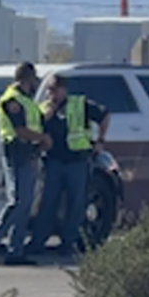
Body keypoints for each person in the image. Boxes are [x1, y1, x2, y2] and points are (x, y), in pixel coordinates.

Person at [26, 74, 110, 256]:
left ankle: (68, 244)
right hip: (54, 162)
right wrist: (45, 118)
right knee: (48, 202)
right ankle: (38, 242)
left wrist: (100, 140)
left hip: (77, 161)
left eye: (54, 89)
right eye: (49, 89)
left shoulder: (79, 104)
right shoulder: (43, 109)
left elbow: (104, 115)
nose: (51, 93)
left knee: (76, 204)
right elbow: (34, 130)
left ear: (64, 89)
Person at [0, 62, 51, 266]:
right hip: (17, 152)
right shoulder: (12, 100)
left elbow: (35, 121)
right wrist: (42, 138)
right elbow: (20, 130)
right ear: (26, 79)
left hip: (29, 153)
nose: (34, 85)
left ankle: (15, 251)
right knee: (19, 201)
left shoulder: (26, 101)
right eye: (32, 81)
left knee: (25, 203)